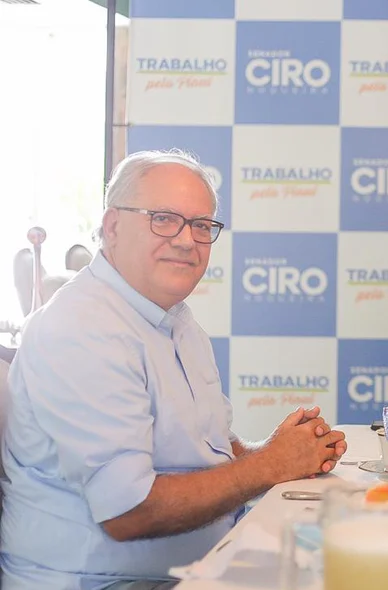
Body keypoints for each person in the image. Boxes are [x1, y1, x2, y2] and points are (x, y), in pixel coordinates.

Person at [0, 150, 347, 590]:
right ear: (112, 227)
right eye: (163, 219)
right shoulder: (82, 327)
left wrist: (280, 452)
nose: (186, 239)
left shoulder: (176, 321)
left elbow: (209, 453)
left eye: (202, 226)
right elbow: (128, 511)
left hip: (196, 570)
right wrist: (270, 466)